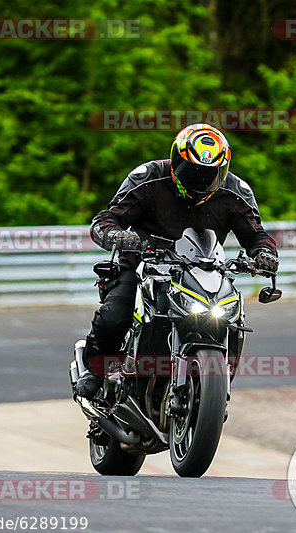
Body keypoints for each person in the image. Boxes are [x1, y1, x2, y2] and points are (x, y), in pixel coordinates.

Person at [74, 123, 279, 399]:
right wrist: (117, 235)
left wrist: (264, 253)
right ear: (175, 160)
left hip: (202, 269)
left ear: (223, 169)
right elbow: (107, 218)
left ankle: (214, 387)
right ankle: (95, 372)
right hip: (142, 266)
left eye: (210, 174)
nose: (200, 180)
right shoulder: (148, 179)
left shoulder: (234, 192)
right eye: (192, 170)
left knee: (231, 316)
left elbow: (256, 235)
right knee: (114, 315)